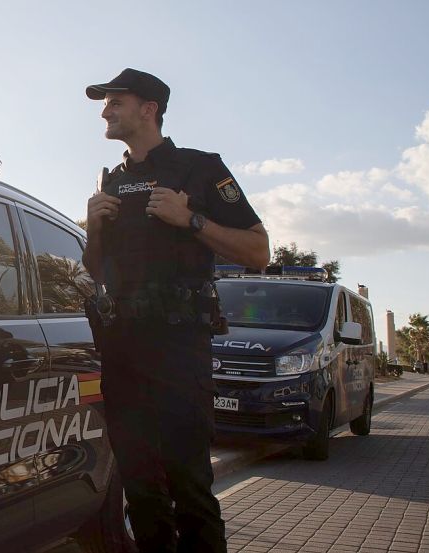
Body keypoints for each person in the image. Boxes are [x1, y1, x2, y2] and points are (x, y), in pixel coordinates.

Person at [82, 68, 270, 552]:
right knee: (141, 491)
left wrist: (190, 219)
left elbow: (258, 251)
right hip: (123, 350)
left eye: (115, 102)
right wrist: (94, 229)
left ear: (149, 109)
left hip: (179, 350)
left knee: (189, 487)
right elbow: (97, 270)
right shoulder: (111, 180)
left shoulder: (199, 168)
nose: (105, 112)